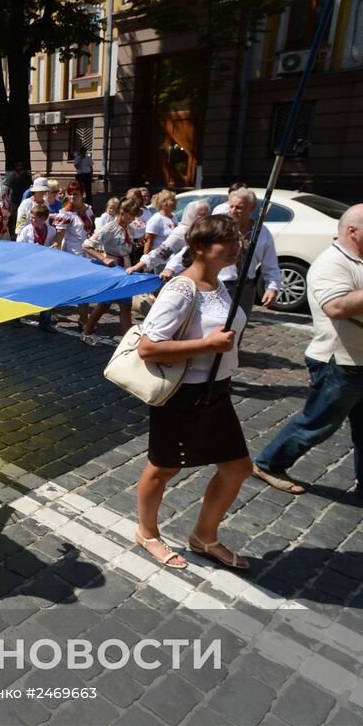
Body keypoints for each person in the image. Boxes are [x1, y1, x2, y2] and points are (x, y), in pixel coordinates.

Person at [253, 204, 363, 513]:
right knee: (318, 424)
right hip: (341, 363)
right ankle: (268, 463)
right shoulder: (331, 264)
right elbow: (337, 307)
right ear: (352, 231)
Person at [133, 216, 252, 571]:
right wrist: (208, 344)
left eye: (236, 240)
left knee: (237, 468)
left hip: (217, 392)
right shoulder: (181, 290)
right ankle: (147, 532)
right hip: (184, 396)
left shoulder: (217, 283)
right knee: (163, 468)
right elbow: (148, 347)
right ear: (199, 248)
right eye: (225, 241)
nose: (235, 246)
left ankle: (204, 535)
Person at [165, 188, 281, 315]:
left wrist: (272, 287)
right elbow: (192, 250)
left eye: (239, 207)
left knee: (238, 327)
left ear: (252, 208)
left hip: (246, 289)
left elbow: (270, 264)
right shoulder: (219, 228)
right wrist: (171, 268)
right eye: (231, 206)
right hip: (218, 285)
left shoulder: (262, 232)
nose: (233, 211)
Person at [81, 197, 139, 345]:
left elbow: (127, 247)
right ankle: (87, 332)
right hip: (112, 271)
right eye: (131, 215)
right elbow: (87, 245)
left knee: (126, 305)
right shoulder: (108, 228)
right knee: (104, 305)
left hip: (125, 270)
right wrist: (104, 259)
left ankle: (127, 340)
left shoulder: (129, 229)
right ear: (122, 212)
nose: (133, 219)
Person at [143, 190, 178, 255]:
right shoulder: (156, 219)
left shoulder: (174, 217)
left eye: (175, 200)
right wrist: (146, 261)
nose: (176, 202)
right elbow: (148, 241)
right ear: (164, 203)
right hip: (159, 261)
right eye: (173, 200)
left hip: (171, 259)